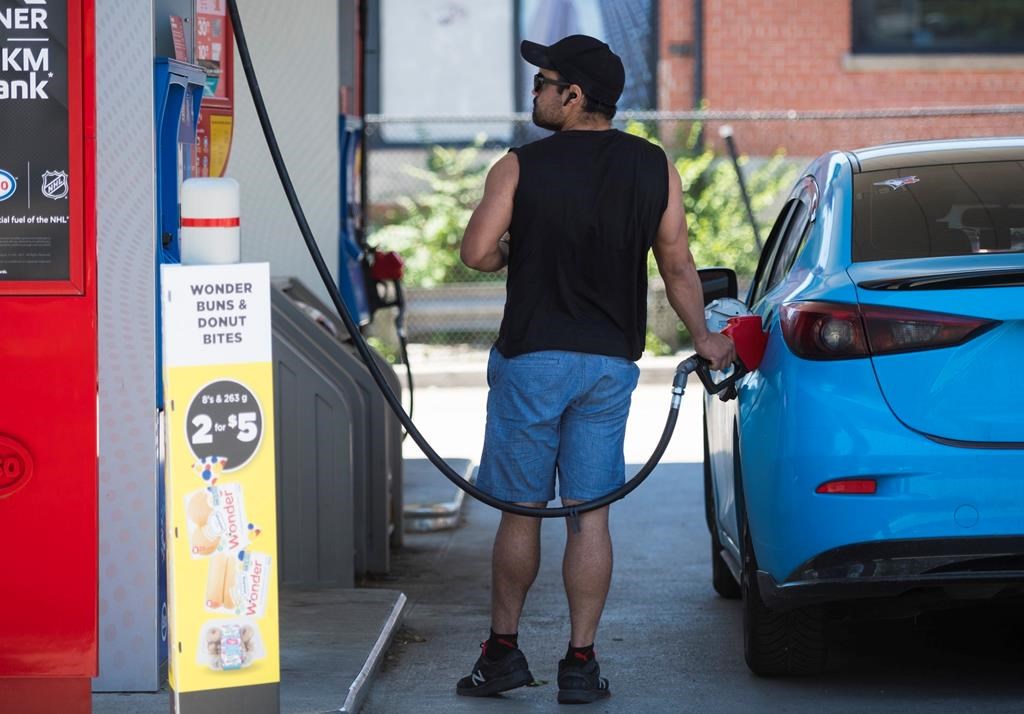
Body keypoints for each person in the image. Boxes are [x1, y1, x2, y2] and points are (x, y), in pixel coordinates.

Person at [455, 34, 736, 705]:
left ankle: (503, 655)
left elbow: (474, 252)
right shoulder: (653, 166)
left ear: (573, 95)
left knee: (520, 512)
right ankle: (580, 664)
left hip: (531, 361)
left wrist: (512, 256)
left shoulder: (519, 166)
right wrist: (705, 337)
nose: (535, 93)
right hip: (609, 364)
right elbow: (676, 265)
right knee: (590, 518)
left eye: (543, 82)